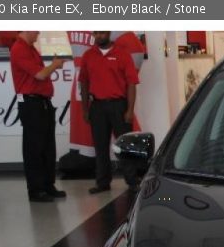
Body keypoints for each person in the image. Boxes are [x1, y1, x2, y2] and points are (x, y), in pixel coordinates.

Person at [79, 31, 140, 195]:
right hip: (97, 107)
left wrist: (129, 110)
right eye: (96, 33)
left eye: (101, 33)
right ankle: (103, 182)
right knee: (100, 146)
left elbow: (131, 84)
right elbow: (83, 83)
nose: (98, 36)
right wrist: (85, 108)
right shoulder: (88, 55)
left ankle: (132, 181)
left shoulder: (122, 53)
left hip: (119, 106)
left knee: (125, 145)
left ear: (108, 33)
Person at [10, 31, 68, 202]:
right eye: (36, 29)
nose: (38, 33)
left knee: (47, 147)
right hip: (31, 104)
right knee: (34, 148)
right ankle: (36, 189)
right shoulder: (19, 49)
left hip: (42, 102)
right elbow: (40, 74)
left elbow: (41, 73)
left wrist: (53, 65)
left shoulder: (31, 49)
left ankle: (48, 185)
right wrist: (55, 64)